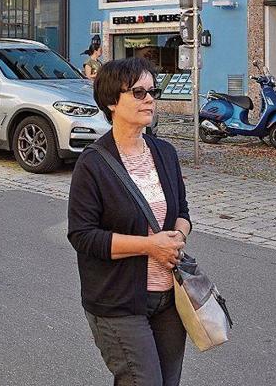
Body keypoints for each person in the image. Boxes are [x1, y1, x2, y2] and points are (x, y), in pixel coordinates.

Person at [68, 57, 192, 386]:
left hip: (169, 297)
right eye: (138, 92)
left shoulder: (165, 152)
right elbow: (83, 236)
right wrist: (151, 246)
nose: (150, 98)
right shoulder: (92, 164)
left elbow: (183, 212)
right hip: (118, 300)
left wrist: (177, 237)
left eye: (153, 91)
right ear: (112, 101)